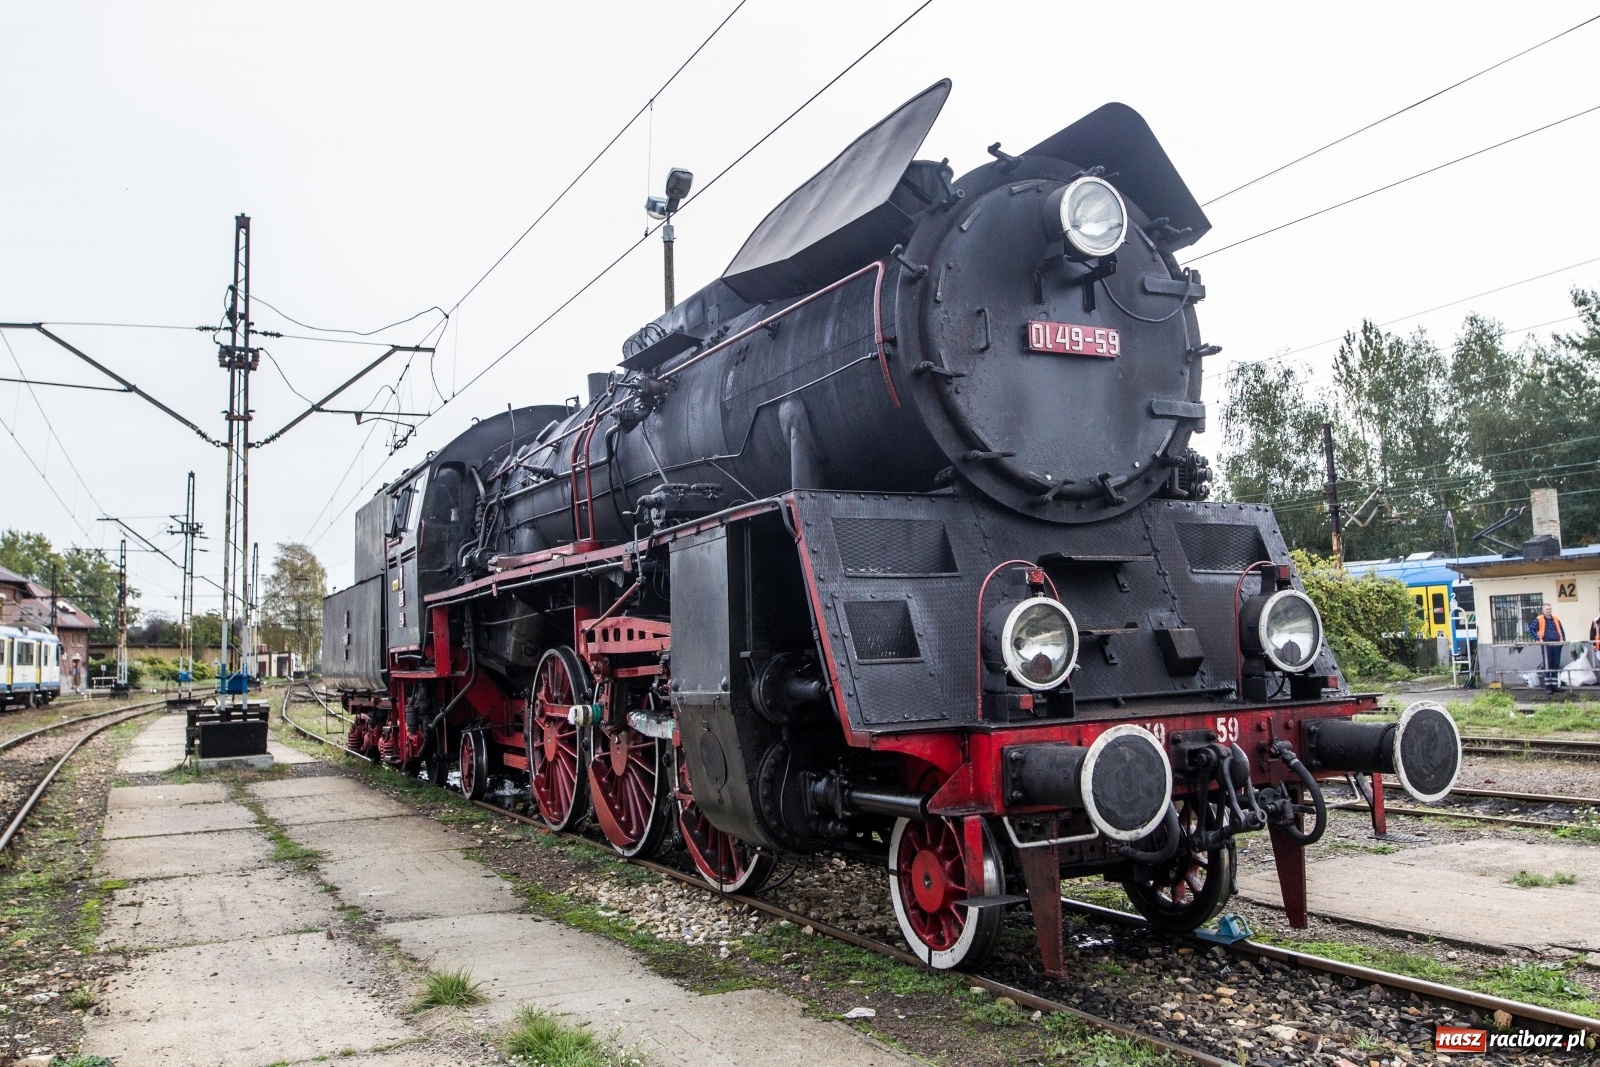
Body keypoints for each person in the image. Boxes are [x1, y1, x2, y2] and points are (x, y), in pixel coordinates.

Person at [1529, 604, 1566, 693]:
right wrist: (1538, 638)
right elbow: (1531, 629)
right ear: (1543, 610)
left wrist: (1563, 640)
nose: (1549, 611)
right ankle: (1548, 687)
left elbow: (1561, 630)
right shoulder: (1539, 619)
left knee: (1555, 665)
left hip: (1557, 645)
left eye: (1550, 609)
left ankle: (1554, 686)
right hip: (1546, 646)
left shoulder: (1556, 618)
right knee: (1548, 665)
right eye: (1547, 609)